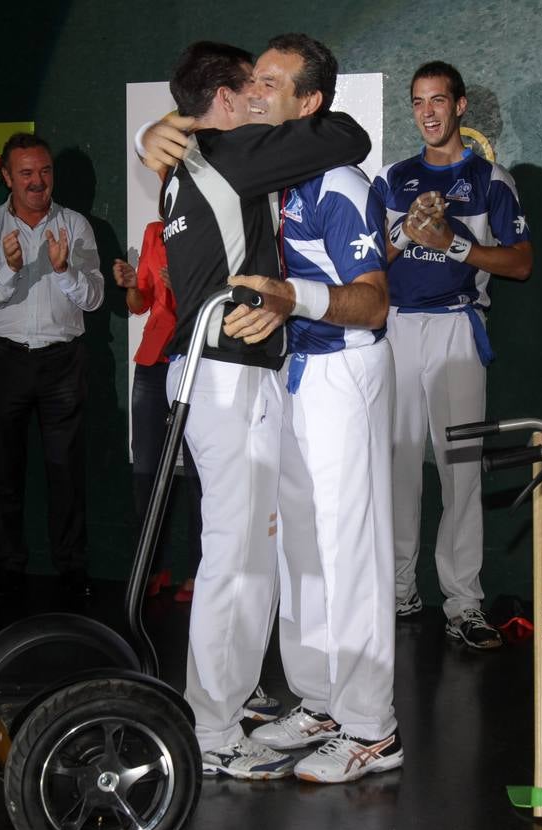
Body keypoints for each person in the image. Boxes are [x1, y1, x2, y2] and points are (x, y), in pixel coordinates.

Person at [139, 40, 371, 779]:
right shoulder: (228, 154)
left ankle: (222, 704)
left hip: (211, 375)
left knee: (240, 556)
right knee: (236, 564)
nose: (265, 101)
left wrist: (167, 125)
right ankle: (210, 730)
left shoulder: (182, 163)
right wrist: (177, 121)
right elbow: (349, 135)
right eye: (255, 90)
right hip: (230, 378)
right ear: (231, 101)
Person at [222, 34, 401, 783]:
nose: (255, 90)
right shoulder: (276, 180)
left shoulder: (341, 185)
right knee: (301, 548)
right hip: (297, 371)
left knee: (350, 552)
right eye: (253, 80)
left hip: (344, 373)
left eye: (271, 81)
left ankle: (373, 730)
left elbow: (374, 300)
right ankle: (323, 701)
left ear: (310, 103)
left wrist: (296, 297)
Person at [373, 63, 532, 649]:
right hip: (396, 331)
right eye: (419, 103)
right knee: (396, 466)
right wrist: (405, 234)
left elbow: (520, 264)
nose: (429, 112)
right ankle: (398, 589)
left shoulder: (492, 179)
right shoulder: (393, 179)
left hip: (458, 330)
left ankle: (464, 602)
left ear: (461, 106)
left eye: (439, 100)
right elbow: (365, 262)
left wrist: (454, 243)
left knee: (461, 471)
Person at [0, 133, 104, 603]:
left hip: (62, 361)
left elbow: (94, 297)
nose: (37, 182)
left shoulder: (76, 226)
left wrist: (64, 269)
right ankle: (9, 569)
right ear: (7, 176)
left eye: (44, 171)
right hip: (4, 357)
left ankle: (71, 570)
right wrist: (10, 267)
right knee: (3, 470)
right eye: (25, 173)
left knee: (65, 470)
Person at [113, 193, 202, 603]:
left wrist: (186, 289)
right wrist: (132, 285)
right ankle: (152, 566)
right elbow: (139, 305)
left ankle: (201, 569)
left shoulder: (210, 230)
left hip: (196, 358)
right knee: (145, 470)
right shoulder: (154, 232)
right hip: (153, 362)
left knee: (202, 472)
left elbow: (216, 303)